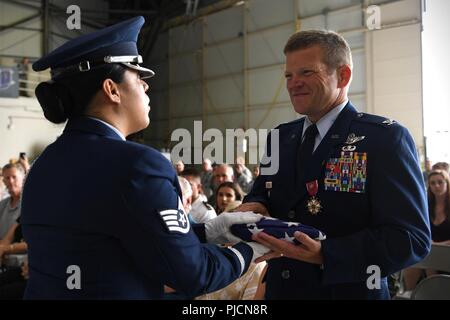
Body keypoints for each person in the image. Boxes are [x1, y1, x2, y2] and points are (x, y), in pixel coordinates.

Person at [21, 16, 269, 299]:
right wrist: (249, 250)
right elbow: (193, 273)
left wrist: (209, 230)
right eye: (138, 76)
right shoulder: (138, 165)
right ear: (112, 89)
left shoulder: (43, 164)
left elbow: (112, 239)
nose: (147, 86)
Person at [238, 30, 431, 299]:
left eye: (306, 72)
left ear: (343, 76)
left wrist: (326, 254)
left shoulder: (383, 138)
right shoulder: (279, 138)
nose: (294, 84)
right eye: (288, 76)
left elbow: (411, 239)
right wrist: (255, 205)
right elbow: (262, 193)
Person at [402, 169, 450, 290]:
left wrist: (436, 245)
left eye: (440, 182)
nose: (436, 186)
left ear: (447, 183)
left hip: (446, 248)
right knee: (413, 261)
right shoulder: (426, 205)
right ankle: (408, 293)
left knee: (430, 256)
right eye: (432, 183)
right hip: (430, 248)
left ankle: (435, 293)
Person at [0, 163, 24, 239]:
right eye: (7, 178)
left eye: (14, 177)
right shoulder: (3, 204)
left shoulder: (30, 203)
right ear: (3, 181)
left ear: (23, 179)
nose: (11, 181)